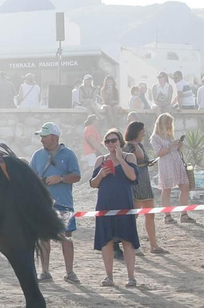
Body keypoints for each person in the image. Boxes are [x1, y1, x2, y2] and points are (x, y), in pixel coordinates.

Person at [89, 127, 140, 287]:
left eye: (114, 140)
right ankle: (109, 276)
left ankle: (131, 277)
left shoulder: (129, 157)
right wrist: (101, 174)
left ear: (120, 142)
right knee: (106, 242)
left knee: (128, 241)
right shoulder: (101, 160)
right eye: (108, 141)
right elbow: (93, 184)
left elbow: (133, 176)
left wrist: (120, 158)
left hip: (124, 204)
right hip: (105, 205)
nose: (111, 144)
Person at [30, 122, 81, 283]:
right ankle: (45, 271)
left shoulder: (69, 154)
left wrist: (60, 178)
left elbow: (76, 176)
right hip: (43, 204)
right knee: (43, 237)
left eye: (44, 136)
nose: (42, 140)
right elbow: (31, 178)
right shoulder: (37, 155)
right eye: (42, 137)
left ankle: (70, 272)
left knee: (66, 237)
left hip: (64, 203)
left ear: (54, 137)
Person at [151, 113, 193, 228]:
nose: (169, 125)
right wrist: (170, 146)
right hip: (166, 165)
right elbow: (159, 153)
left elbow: (175, 151)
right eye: (166, 123)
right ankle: (167, 216)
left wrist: (178, 146)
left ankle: (184, 214)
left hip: (176, 162)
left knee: (185, 187)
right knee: (166, 189)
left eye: (170, 123)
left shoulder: (169, 135)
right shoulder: (155, 137)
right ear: (160, 124)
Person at [124, 120, 160, 254]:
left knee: (150, 215)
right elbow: (138, 157)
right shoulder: (129, 147)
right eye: (142, 130)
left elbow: (144, 159)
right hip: (135, 184)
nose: (144, 132)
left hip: (145, 182)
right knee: (133, 216)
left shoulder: (139, 144)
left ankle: (153, 245)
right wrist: (135, 145)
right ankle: (133, 245)